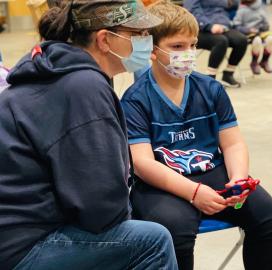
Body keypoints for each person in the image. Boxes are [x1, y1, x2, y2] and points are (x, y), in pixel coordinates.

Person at [0, 1, 178, 269]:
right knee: (152, 241)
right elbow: (101, 208)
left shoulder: (57, 70)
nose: (147, 43)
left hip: (16, 234)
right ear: (105, 40)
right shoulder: (83, 86)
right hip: (24, 247)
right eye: (137, 34)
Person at [120, 2, 272, 270]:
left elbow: (233, 143)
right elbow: (143, 163)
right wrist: (194, 193)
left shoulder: (211, 89)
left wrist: (239, 180)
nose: (189, 53)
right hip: (162, 182)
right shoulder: (136, 100)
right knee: (175, 229)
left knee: (266, 214)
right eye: (177, 46)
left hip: (211, 171)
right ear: (152, 49)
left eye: (193, 45)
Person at [184, 0, 248, 88]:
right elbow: (192, 11)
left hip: (223, 26)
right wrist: (209, 26)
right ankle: (210, 78)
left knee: (241, 40)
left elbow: (234, 5)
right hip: (200, 29)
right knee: (221, 41)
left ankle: (228, 75)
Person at [233, 0, 272, 74]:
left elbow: (266, 25)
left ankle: (264, 61)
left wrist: (262, 28)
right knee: (257, 40)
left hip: (260, 32)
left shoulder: (261, 8)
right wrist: (248, 30)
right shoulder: (241, 10)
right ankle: (254, 62)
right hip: (247, 34)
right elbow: (236, 25)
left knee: (270, 39)